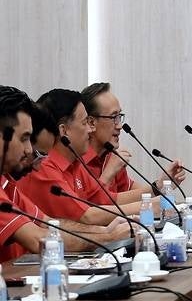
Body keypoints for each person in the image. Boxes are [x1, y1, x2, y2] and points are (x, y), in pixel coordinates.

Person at [0, 86, 131, 262]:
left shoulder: (6, 182)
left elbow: (50, 224)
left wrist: (106, 232)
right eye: (24, 139)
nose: (28, 150)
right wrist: (109, 237)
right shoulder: (42, 171)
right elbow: (37, 239)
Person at [18, 89, 149, 223]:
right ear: (64, 131)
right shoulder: (43, 166)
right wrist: (147, 207)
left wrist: (158, 188)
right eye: (85, 122)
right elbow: (86, 216)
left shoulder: (75, 163)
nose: (91, 129)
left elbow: (102, 200)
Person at [80, 82, 186, 192]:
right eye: (113, 117)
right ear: (91, 123)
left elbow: (131, 195)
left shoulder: (110, 156)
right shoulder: (77, 161)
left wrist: (162, 184)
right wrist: (108, 174)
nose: (120, 126)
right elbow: (87, 207)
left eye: (119, 116)